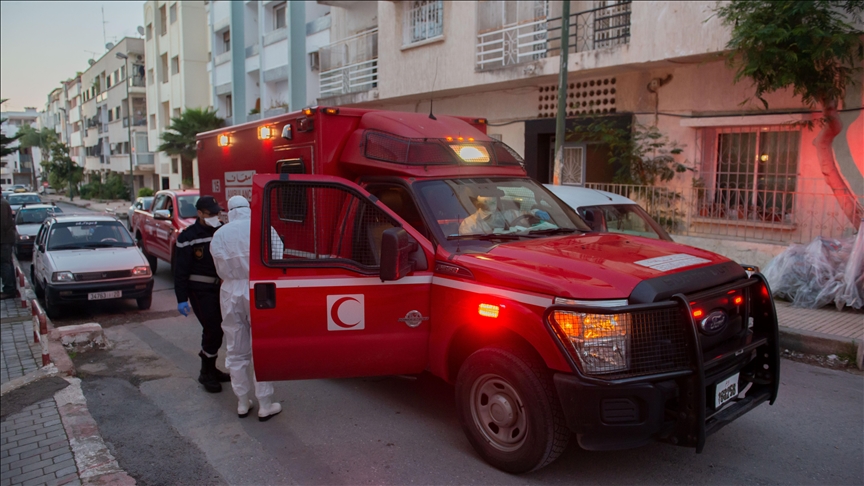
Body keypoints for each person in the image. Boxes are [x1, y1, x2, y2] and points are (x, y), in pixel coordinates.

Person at [210, 195, 282, 421]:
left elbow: (217, 264)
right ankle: (265, 404)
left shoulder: (220, 234)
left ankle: (242, 402)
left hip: (230, 291)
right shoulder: (263, 229)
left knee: (235, 347)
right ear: (248, 209)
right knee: (261, 346)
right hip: (259, 289)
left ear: (229, 211)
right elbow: (278, 257)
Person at [175, 195, 231, 393]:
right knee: (213, 328)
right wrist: (181, 299)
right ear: (199, 213)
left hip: (220, 288)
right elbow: (180, 270)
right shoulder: (188, 237)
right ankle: (205, 373)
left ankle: (211, 369)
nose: (215, 217)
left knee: (220, 328)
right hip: (199, 289)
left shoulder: (221, 231)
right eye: (210, 214)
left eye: (217, 213)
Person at [458, 190, 551, 235]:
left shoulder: (505, 215)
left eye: (494, 202)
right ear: (479, 204)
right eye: (487, 202)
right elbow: (469, 246)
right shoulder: (469, 223)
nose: (492, 205)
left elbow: (522, 215)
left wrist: (535, 212)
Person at [1, 196, 15, 299]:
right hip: (5, 239)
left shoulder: (2, 204)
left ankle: (9, 290)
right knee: (7, 263)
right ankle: (10, 288)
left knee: (5, 264)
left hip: (4, 240)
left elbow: (3, 224)